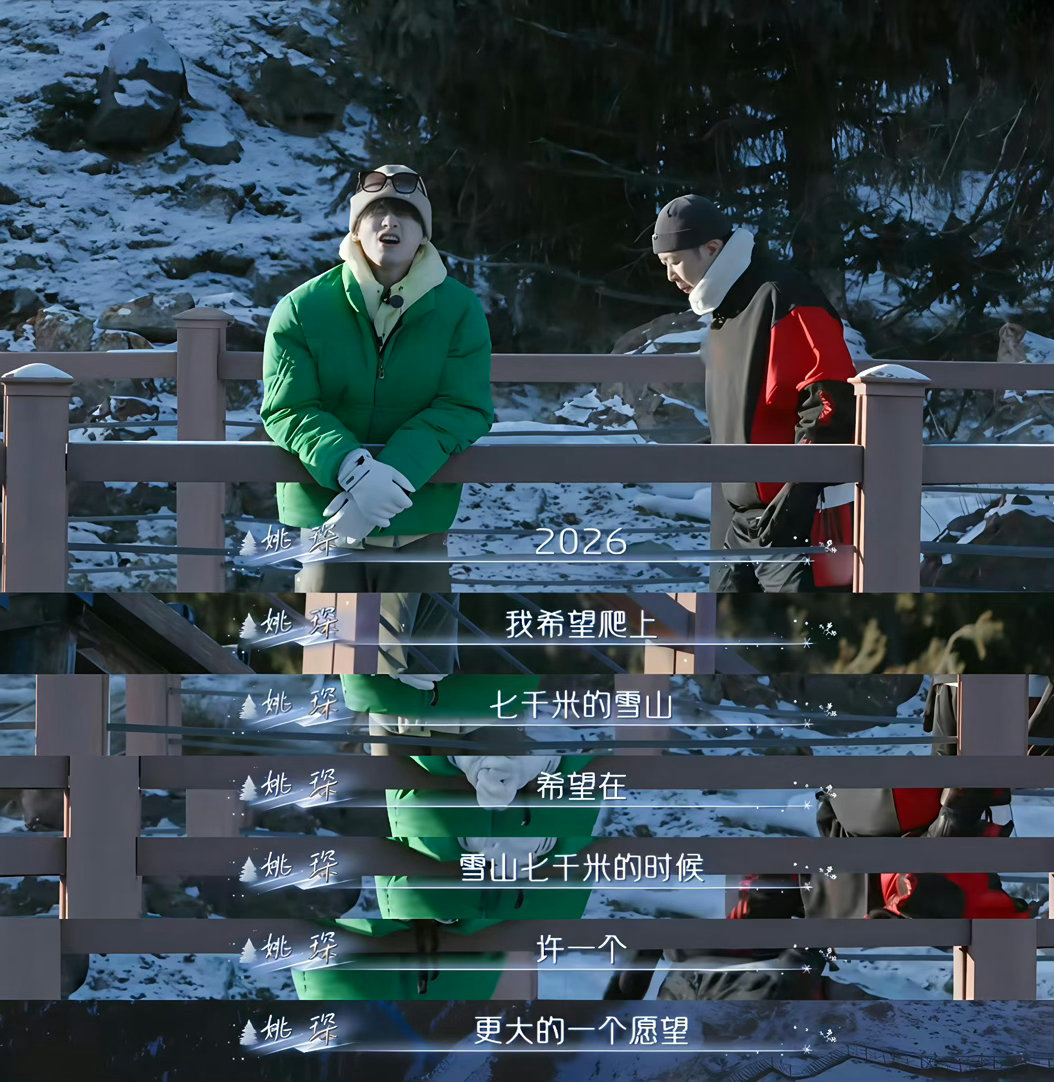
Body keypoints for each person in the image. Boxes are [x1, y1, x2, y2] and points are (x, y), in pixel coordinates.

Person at [261, 163, 495, 672]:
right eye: (377, 212)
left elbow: (466, 405)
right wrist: (351, 467)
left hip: (419, 525)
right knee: (330, 671)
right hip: (326, 524)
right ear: (356, 227)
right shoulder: (302, 308)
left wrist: (395, 475)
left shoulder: (458, 310)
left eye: (405, 214)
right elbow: (287, 406)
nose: (390, 224)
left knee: (424, 677)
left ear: (424, 232)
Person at [650, 195, 857, 592]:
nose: (670, 276)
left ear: (711, 249)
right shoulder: (723, 313)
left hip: (793, 524)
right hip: (741, 523)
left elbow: (829, 398)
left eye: (674, 262)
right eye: (665, 265)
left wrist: (796, 497)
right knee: (718, 637)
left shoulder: (784, 295)